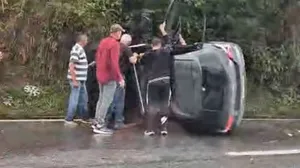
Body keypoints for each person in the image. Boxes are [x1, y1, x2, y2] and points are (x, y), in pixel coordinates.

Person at [131, 22, 172, 136]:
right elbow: (169, 42)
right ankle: (163, 129)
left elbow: (139, 62)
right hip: (166, 80)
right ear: (160, 44)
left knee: (152, 105)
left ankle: (150, 129)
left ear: (152, 45)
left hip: (153, 81)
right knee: (164, 104)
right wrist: (162, 30)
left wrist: (135, 55)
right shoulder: (167, 51)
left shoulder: (148, 54)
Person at [93, 24, 125, 135]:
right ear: (117, 32)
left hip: (100, 74)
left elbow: (97, 57)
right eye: (120, 32)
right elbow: (114, 63)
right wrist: (119, 78)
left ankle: (96, 121)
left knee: (101, 100)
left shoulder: (103, 42)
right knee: (106, 101)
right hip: (109, 76)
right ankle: (100, 125)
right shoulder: (115, 44)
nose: (121, 34)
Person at [106, 34, 138, 130]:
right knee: (119, 99)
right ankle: (118, 121)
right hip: (120, 76)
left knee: (110, 98)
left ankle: (106, 120)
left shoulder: (113, 46)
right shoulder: (126, 48)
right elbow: (133, 61)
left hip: (110, 75)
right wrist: (135, 55)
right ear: (128, 43)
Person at [65, 33, 89, 126]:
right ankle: (69, 119)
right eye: (86, 39)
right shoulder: (76, 49)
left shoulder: (80, 49)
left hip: (81, 79)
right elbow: (71, 65)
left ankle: (83, 117)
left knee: (83, 99)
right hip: (77, 80)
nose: (87, 41)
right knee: (74, 99)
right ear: (82, 41)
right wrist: (74, 80)